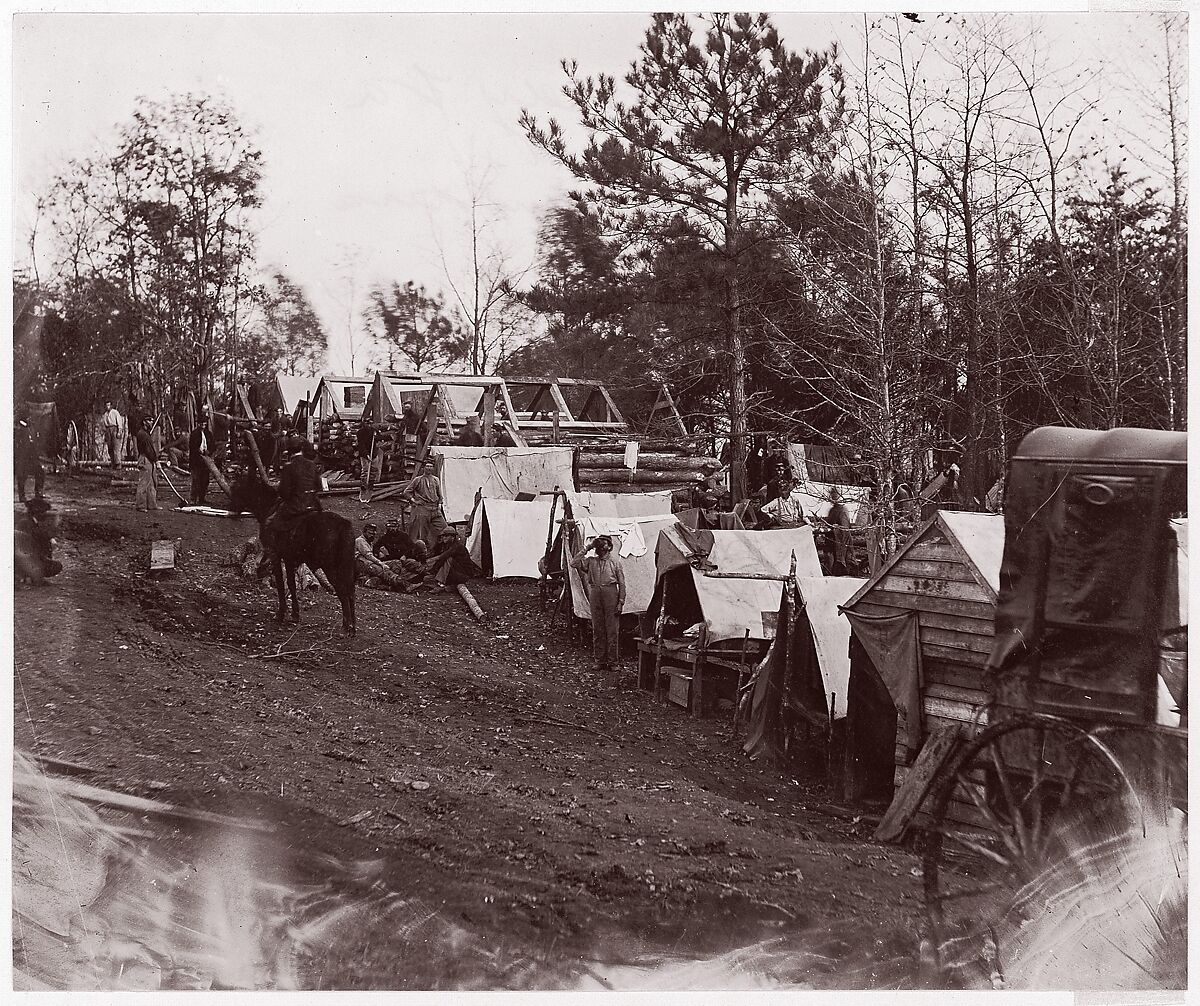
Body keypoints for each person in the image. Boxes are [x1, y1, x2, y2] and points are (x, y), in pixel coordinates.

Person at [569, 533, 626, 672]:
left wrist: (620, 602)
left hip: (611, 593)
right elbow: (574, 563)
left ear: (610, 547)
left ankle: (613, 662)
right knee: (598, 629)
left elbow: (622, 584)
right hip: (595, 594)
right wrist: (587, 547)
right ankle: (599, 660)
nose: (601, 547)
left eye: (604, 543)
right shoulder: (591, 561)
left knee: (612, 630)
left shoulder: (615, 562)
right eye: (600, 544)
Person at [403, 458, 447, 546]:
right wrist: (414, 501)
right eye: (427, 466)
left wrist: (439, 504)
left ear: (433, 468)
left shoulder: (436, 480)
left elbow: (439, 494)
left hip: (435, 509)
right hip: (423, 509)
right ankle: (423, 552)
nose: (429, 468)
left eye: (431, 466)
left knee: (445, 529)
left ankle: (439, 547)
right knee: (422, 534)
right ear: (424, 468)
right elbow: (406, 492)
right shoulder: (418, 480)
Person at [422, 527, 482, 591]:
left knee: (448, 559)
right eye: (443, 536)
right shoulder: (447, 545)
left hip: (463, 574)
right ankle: (439, 580)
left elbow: (442, 557)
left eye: (446, 536)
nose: (443, 537)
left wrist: (428, 565)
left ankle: (441, 582)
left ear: (453, 537)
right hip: (455, 571)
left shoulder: (457, 546)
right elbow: (435, 554)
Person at [15, 416, 44, 503]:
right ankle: (21, 495)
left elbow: (36, 440)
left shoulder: (32, 427)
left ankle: (38, 493)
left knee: (40, 471)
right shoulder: (20, 428)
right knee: (22, 475)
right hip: (23, 455)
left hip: (32, 455)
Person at [188, 411, 214, 505]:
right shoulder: (194, 434)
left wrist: (209, 451)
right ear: (198, 423)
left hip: (206, 460)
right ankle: (193, 499)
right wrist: (198, 451)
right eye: (201, 423)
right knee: (196, 480)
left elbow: (212, 445)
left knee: (205, 480)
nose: (203, 425)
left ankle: (202, 498)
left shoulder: (208, 433)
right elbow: (192, 447)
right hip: (196, 460)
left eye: (204, 423)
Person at [827, 487, 854, 575]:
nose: (833, 497)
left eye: (835, 495)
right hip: (832, 539)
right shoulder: (832, 510)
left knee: (843, 562)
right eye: (832, 495)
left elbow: (845, 527)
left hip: (842, 541)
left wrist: (836, 527)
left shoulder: (843, 510)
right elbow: (829, 522)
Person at [134, 417, 159, 511]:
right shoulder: (142, 434)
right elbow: (148, 449)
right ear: (144, 422)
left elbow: (151, 449)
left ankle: (152, 504)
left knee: (151, 482)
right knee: (144, 483)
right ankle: (140, 505)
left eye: (152, 420)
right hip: (145, 458)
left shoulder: (146, 434)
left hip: (149, 459)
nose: (151, 422)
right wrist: (155, 460)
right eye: (149, 420)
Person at [356, 419, 381, 484]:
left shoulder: (373, 431)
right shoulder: (360, 433)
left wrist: (377, 436)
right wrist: (367, 455)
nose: (369, 425)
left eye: (370, 424)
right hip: (364, 454)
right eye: (367, 424)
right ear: (364, 424)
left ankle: (371, 484)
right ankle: (364, 484)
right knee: (365, 470)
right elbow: (361, 445)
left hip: (373, 453)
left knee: (374, 469)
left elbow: (380, 437)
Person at [100, 400, 123, 468]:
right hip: (108, 430)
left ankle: (118, 463)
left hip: (114, 429)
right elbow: (103, 424)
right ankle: (113, 463)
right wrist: (104, 433)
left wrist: (119, 431)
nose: (108, 407)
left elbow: (119, 422)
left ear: (111, 406)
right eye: (106, 405)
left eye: (109, 405)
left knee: (116, 447)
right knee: (110, 447)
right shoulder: (105, 415)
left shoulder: (115, 412)